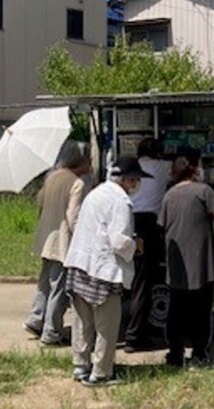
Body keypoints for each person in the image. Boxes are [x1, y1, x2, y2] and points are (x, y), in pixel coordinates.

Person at [64, 157, 151, 386]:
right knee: (107, 325)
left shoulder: (96, 192)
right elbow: (118, 241)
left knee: (82, 322)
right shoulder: (120, 201)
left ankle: (80, 366)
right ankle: (101, 373)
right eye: (135, 180)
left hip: (79, 263)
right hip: (103, 270)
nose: (136, 185)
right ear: (128, 180)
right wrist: (136, 245)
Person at [158, 148, 214, 368]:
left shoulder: (169, 194)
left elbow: (162, 224)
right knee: (201, 311)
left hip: (177, 263)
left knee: (176, 311)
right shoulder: (204, 191)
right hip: (201, 263)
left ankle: (175, 355)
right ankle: (199, 356)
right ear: (194, 168)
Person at [23, 140, 91, 346]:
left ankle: (36, 319)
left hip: (45, 237)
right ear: (81, 160)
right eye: (89, 158)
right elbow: (73, 216)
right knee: (59, 287)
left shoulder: (51, 177)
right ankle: (52, 332)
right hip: (62, 241)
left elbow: (41, 203)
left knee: (44, 283)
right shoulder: (76, 183)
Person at [124, 138, 173, 353]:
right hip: (147, 227)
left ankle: (118, 329)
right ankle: (135, 337)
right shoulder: (161, 166)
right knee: (143, 282)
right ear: (158, 154)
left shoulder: (128, 167)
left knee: (128, 280)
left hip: (126, 222)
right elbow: (181, 170)